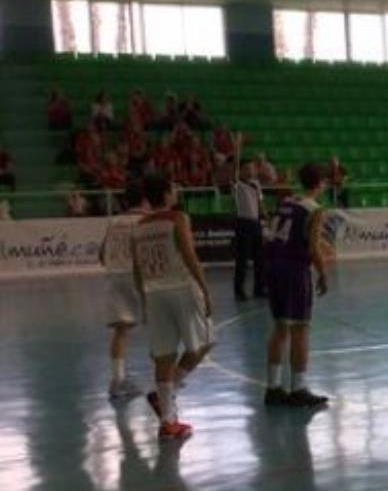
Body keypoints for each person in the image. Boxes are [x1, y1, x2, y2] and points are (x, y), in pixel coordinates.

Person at [130, 174, 215, 442]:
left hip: (154, 293)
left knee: (164, 355)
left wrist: (144, 297)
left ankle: (168, 421)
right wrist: (205, 289)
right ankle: (171, 391)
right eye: (174, 187)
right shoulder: (178, 219)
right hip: (181, 289)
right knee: (206, 342)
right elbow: (189, 255)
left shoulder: (139, 226)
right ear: (166, 193)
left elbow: (136, 268)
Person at [263, 163, 331, 408]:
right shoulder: (315, 210)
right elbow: (313, 247)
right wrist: (323, 273)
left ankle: (272, 387)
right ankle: (299, 388)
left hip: (273, 266)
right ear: (320, 183)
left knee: (280, 327)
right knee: (300, 328)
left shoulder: (287, 202)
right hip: (294, 268)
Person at [101, 182, 148, 400]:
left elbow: (102, 255)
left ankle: (117, 380)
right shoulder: (145, 221)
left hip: (114, 275)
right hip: (137, 276)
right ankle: (168, 380)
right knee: (159, 326)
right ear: (145, 199)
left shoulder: (114, 222)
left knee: (121, 330)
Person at [232, 142, 267, 301]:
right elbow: (233, 174)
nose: (251, 170)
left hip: (255, 222)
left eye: (252, 168)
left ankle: (259, 288)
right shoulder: (237, 185)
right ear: (242, 170)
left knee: (260, 258)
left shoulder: (256, 184)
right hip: (243, 222)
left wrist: (264, 214)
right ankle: (239, 290)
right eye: (248, 168)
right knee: (243, 259)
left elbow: (260, 203)